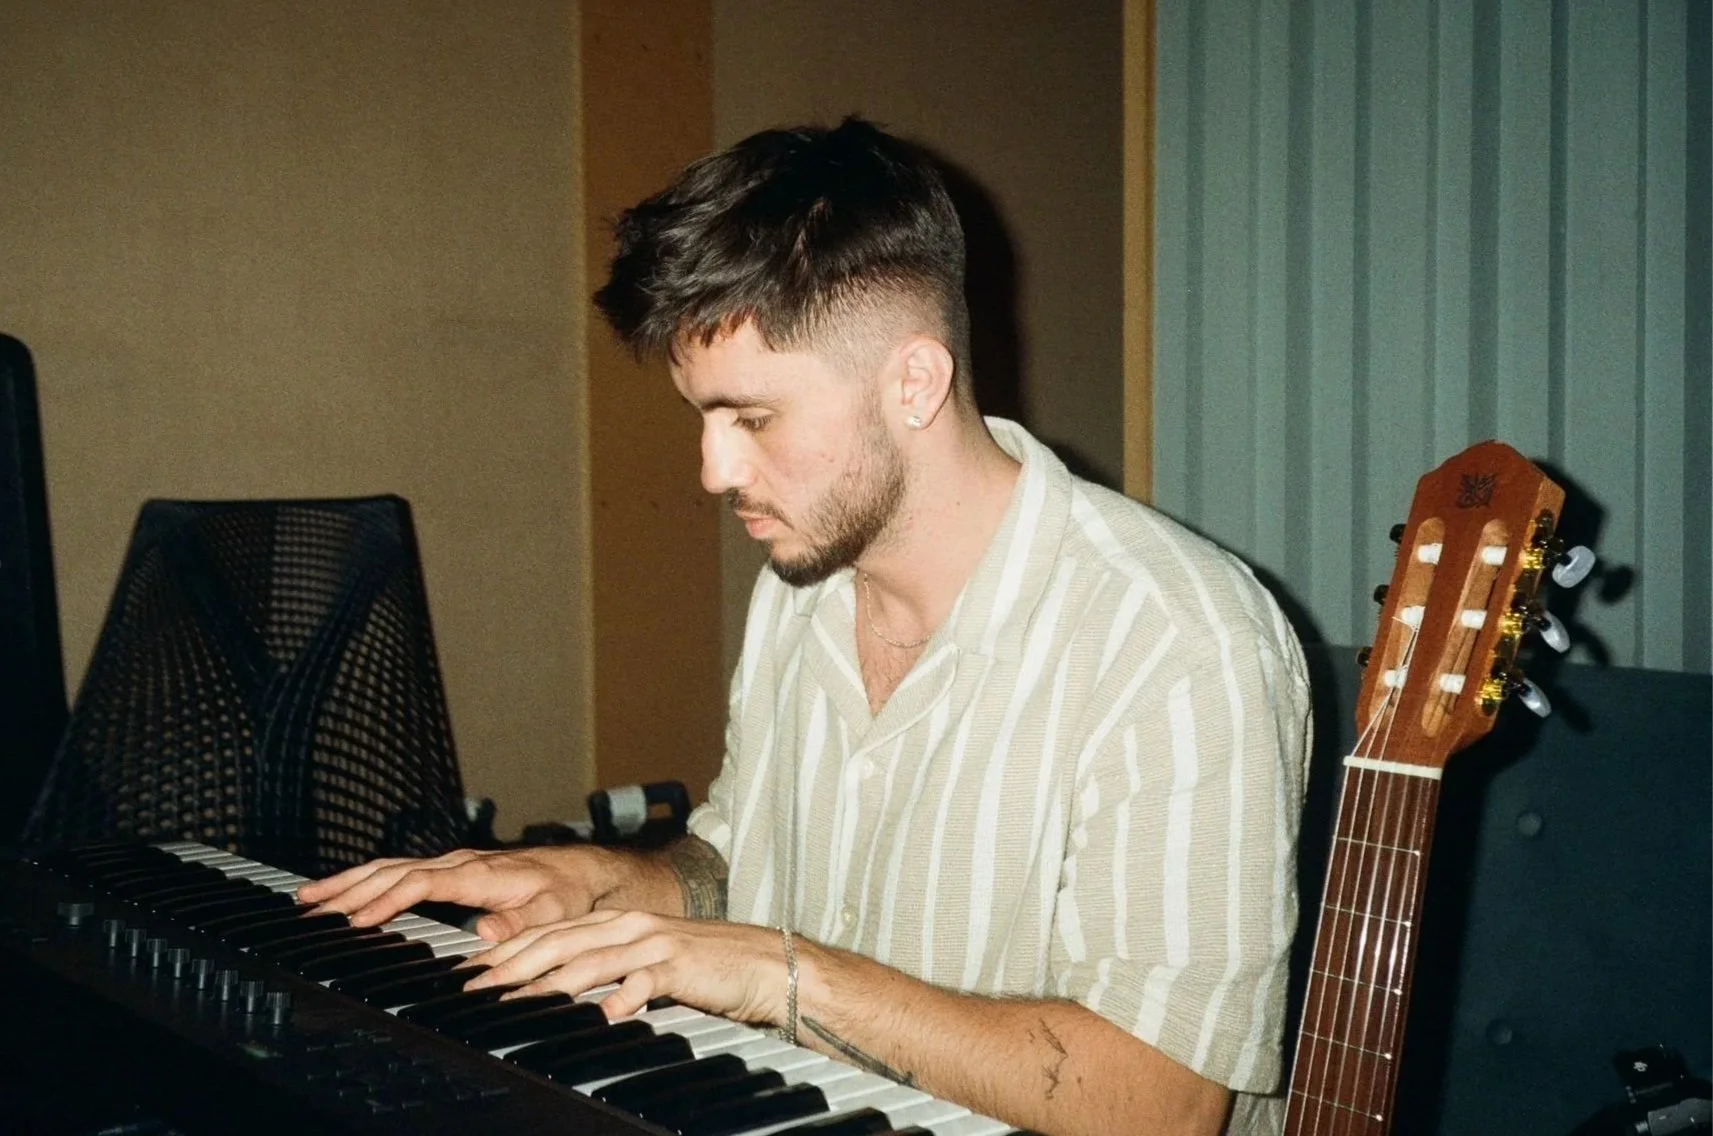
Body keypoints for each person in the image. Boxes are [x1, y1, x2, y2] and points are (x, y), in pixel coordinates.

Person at [300, 117, 1311, 1136]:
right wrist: (606, 885)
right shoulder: (802, 585)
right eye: (703, 417)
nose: (714, 471)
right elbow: (735, 864)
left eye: (754, 418)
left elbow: (1162, 1103)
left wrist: (790, 978)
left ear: (913, 382)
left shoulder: (1181, 641)